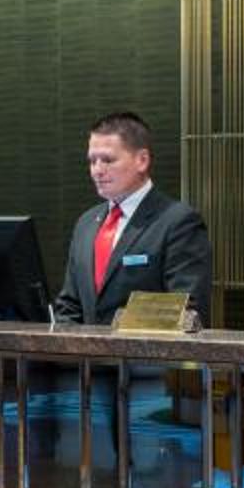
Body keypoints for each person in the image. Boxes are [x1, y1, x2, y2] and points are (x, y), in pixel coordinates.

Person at [53, 111, 211, 326]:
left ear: (142, 160)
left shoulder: (178, 221)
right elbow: (69, 306)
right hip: (85, 349)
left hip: (145, 348)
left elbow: (187, 309)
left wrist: (117, 331)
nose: (97, 170)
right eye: (92, 161)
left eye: (107, 160)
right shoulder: (86, 223)